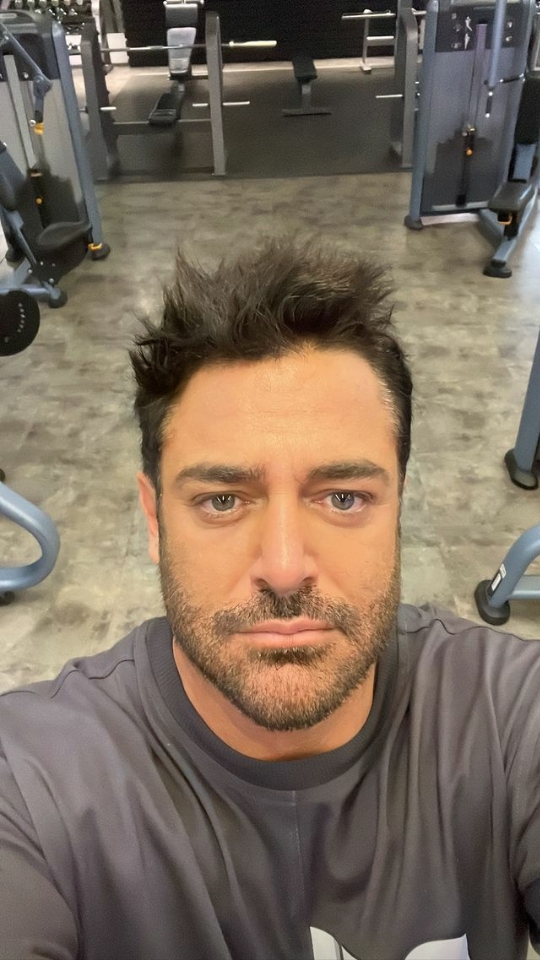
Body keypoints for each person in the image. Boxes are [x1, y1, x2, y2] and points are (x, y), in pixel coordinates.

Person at [0, 238, 539, 960]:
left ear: (398, 506)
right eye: (222, 500)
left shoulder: (510, 724)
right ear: (155, 520)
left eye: (343, 497)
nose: (285, 569)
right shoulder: (32, 786)